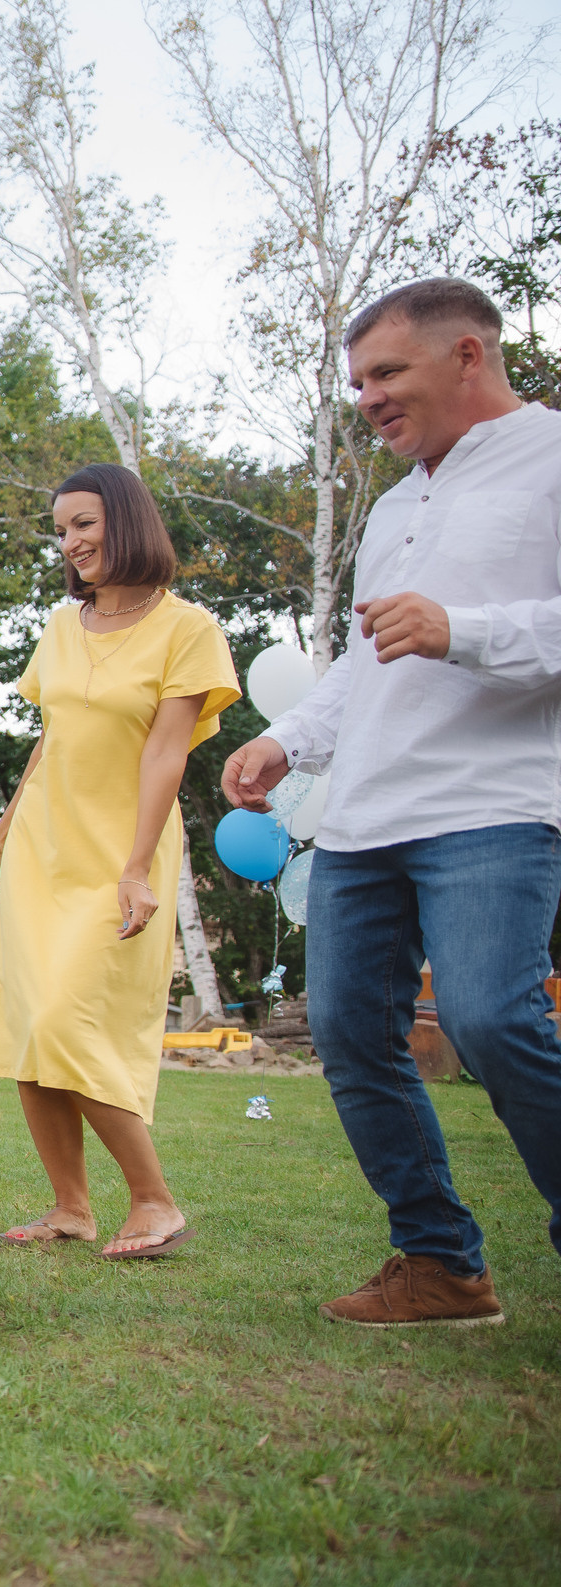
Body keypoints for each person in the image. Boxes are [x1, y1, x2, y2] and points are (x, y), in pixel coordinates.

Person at [223, 277, 561, 1328]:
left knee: (491, 1015)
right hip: (368, 814)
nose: (366, 398)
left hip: (491, 803)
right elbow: (368, 665)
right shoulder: (396, 505)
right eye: (357, 380)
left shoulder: (550, 461)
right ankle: (438, 1265)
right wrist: (288, 738)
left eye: (387, 373)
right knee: (348, 1034)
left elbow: (465, 631)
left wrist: (463, 629)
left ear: (468, 355)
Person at [0, 465, 239, 1257]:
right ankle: (69, 1208)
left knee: (66, 1018)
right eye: (60, 530)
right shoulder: (60, 626)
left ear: (126, 519)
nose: (70, 542)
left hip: (120, 850)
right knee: (25, 1028)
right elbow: (52, 739)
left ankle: (154, 1201)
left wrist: (138, 866)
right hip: (44, 847)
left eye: (84, 523)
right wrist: (3, 833)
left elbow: (164, 756)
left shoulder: (189, 629)